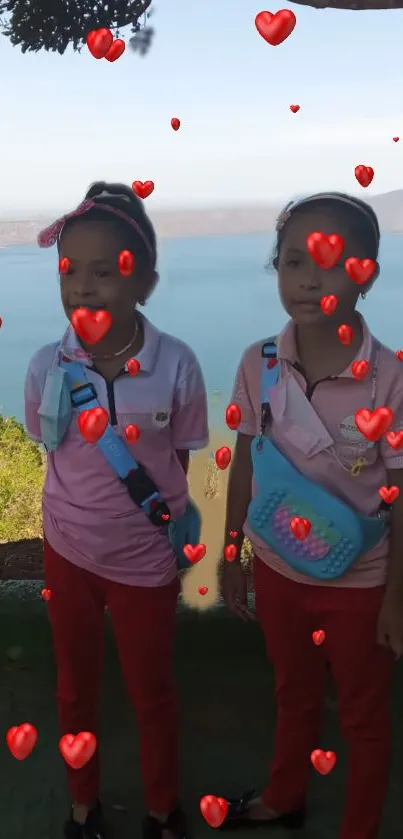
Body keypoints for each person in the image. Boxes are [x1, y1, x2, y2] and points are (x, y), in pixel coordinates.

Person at [24, 181, 209, 839]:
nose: (82, 287)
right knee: (73, 688)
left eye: (105, 271)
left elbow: (177, 470)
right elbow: (54, 452)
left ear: (145, 281)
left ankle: (163, 810)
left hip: (142, 563)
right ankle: (84, 808)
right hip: (67, 551)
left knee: (150, 691)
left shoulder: (177, 365)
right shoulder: (47, 366)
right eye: (70, 270)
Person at [219, 192, 403, 839]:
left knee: (362, 714)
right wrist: (230, 551)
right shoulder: (257, 364)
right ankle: (283, 795)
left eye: (327, 261)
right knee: (291, 693)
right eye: (292, 259)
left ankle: (358, 826)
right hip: (276, 568)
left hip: (359, 583)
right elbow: (245, 461)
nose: (306, 277)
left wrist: (394, 597)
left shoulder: (390, 381)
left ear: (366, 273)